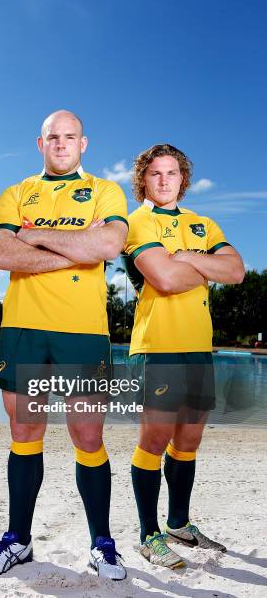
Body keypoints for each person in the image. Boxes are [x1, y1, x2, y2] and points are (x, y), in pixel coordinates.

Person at [0, 110, 128, 580]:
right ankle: (18, 540)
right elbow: (0, 253)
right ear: (39, 143)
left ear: (84, 144)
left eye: (69, 137)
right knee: (24, 435)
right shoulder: (16, 192)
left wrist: (35, 236)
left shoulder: (106, 190)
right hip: (23, 329)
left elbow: (107, 247)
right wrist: (74, 247)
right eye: (52, 137)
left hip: (83, 332)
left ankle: (102, 544)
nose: (61, 144)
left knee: (88, 436)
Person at [122, 144, 244, 568]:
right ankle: (147, 533)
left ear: (182, 178)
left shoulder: (203, 224)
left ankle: (178, 522)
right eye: (155, 173)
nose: (164, 180)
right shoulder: (137, 221)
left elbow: (236, 271)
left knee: (189, 441)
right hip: (158, 346)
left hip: (198, 346)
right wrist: (206, 265)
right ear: (143, 179)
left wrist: (189, 256)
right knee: (154, 441)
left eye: (171, 173)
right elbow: (166, 279)